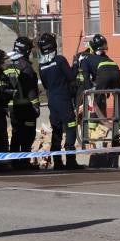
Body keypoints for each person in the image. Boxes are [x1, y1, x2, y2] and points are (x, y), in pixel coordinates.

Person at [36, 33, 83, 170]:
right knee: (70, 128)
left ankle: (57, 162)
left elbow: (45, 85)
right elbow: (71, 77)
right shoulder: (60, 60)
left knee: (56, 131)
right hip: (63, 100)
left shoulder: (41, 66)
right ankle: (71, 161)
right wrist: (75, 65)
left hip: (52, 102)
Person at [84, 34, 120, 141]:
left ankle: (92, 126)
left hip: (104, 73)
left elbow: (86, 76)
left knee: (97, 98)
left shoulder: (86, 59)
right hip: (116, 71)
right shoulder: (105, 57)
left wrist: (88, 88)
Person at [4, 36, 41, 169]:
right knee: (28, 134)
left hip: (13, 108)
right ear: (26, 51)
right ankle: (24, 162)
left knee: (16, 133)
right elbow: (31, 91)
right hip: (26, 108)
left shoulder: (8, 65)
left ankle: (14, 162)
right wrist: (36, 106)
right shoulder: (26, 67)